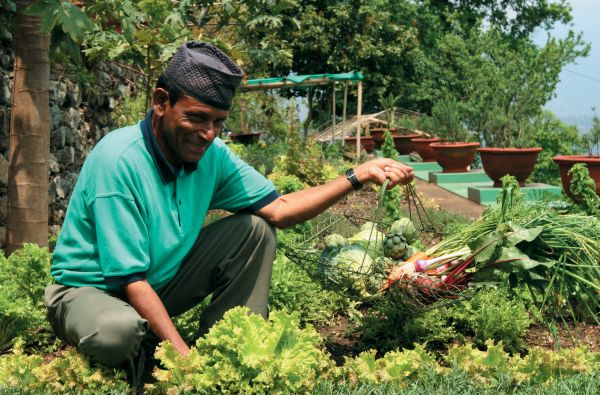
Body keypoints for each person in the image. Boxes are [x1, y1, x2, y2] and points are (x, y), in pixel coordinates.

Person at [44, 42, 414, 386]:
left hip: (155, 284)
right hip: (92, 292)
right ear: (161, 101)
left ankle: (231, 347)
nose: (208, 134)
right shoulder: (119, 161)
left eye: (218, 122)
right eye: (197, 117)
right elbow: (131, 280)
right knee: (117, 332)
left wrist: (358, 175)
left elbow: (280, 210)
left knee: (255, 229)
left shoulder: (210, 155)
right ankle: (142, 355)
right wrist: (183, 359)